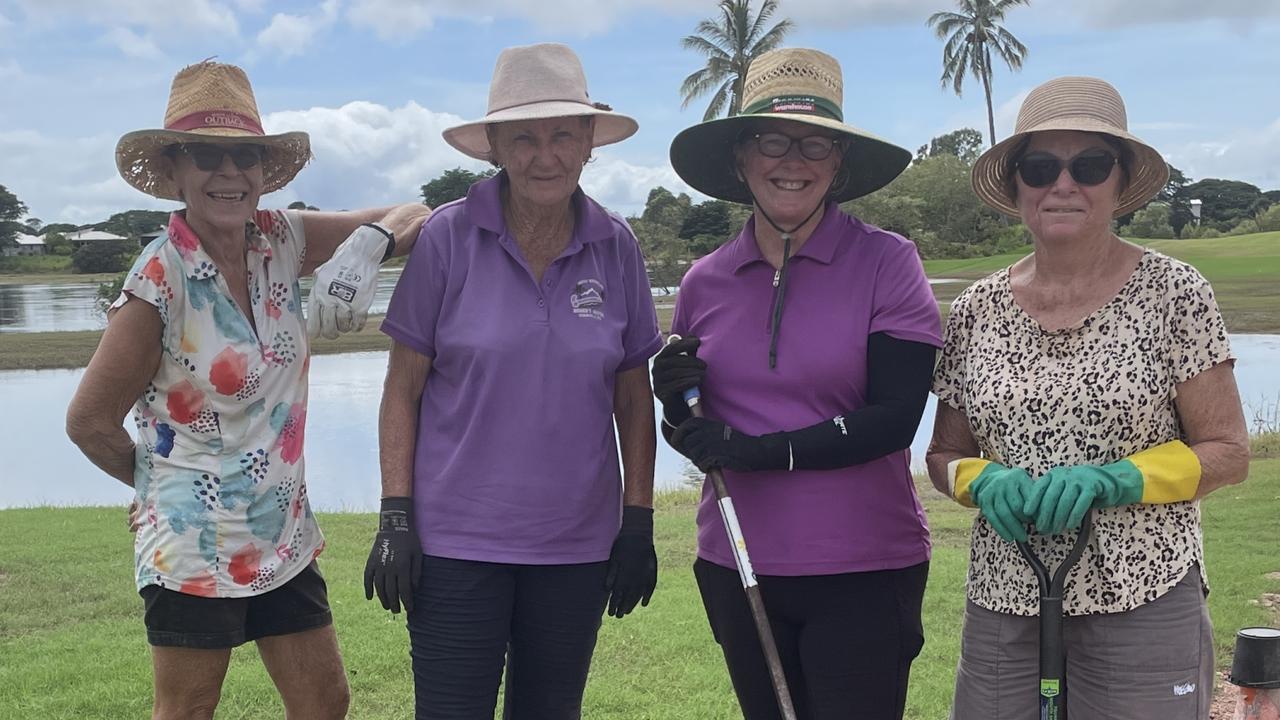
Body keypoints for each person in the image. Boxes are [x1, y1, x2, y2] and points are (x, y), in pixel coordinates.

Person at [64, 60, 429, 720]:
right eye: (208, 155)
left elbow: (420, 212)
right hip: (191, 552)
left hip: (285, 541)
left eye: (246, 158)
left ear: (265, 171)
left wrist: (370, 245)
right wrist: (153, 486)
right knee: (188, 713)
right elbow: (88, 421)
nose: (229, 174)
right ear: (175, 170)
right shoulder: (159, 279)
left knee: (325, 702)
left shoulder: (282, 239)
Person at [927, 76, 1250, 719]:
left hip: (1143, 590)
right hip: (1004, 592)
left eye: (1090, 165)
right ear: (1018, 184)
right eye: (1041, 166)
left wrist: (1122, 479)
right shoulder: (973, 310)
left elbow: (1229, 452)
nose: (1063, 184)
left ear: (1120, 182)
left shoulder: (1175, 293)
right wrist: (979, 479)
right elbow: (943, 454)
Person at [361, 43, 662, 719]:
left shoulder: (616, 246)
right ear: (494, 146)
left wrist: (637, 521)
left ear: (589, 142)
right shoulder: (447, 239)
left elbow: (632, 398)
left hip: (577, 545)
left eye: (562, 135)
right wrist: (395, 516)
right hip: (455, 544)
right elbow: (401, 390)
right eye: (523, 138)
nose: (544, 155)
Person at [655, 48, 941, 720]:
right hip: (738, 559)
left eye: (815, 143)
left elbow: (895, 417)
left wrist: (766, 452)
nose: (794, 160)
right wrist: (674, 402)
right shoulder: (704, 280)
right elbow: (702, 432)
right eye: (773, 140)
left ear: (838, 163)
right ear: (742, 159)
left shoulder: (887, 262)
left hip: (864, 568)